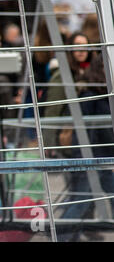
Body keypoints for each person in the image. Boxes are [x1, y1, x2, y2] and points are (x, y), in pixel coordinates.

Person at [57, 53, 114, 241]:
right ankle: (61, 234)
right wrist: (83, 160)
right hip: (89, 157)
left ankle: (65, 233)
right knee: (81, 200)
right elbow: (85, 130)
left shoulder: (102, 93)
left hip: (100, 157)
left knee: (88, 198)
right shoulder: (91, 95)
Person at [43, 32, 91, 158]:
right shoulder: (62, 74)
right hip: (70, 134)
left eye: (85, 46)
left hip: (92, 133)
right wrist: (49, 143)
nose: (81, 50)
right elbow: (53, 109)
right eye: (77, 45)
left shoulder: (95, 71)